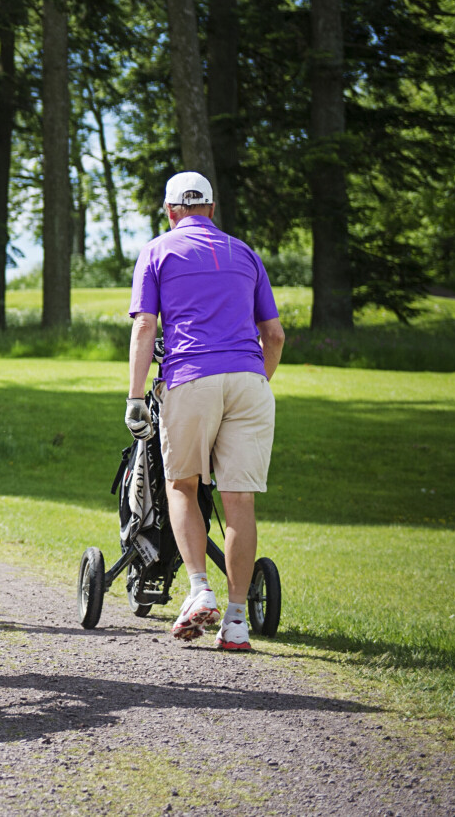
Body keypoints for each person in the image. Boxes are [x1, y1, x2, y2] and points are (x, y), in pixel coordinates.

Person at [126, 171, 284, 651]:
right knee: (239, 501)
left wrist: (135, 397)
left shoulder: (157, 251)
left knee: (182, 485)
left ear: (171, 211)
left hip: (190, 376)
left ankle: (198, 591)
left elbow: (145, 328)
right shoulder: (246, 254)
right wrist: (257, 380)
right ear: (212, 209)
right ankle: (236, 622)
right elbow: (273, 335)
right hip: (249, 380)